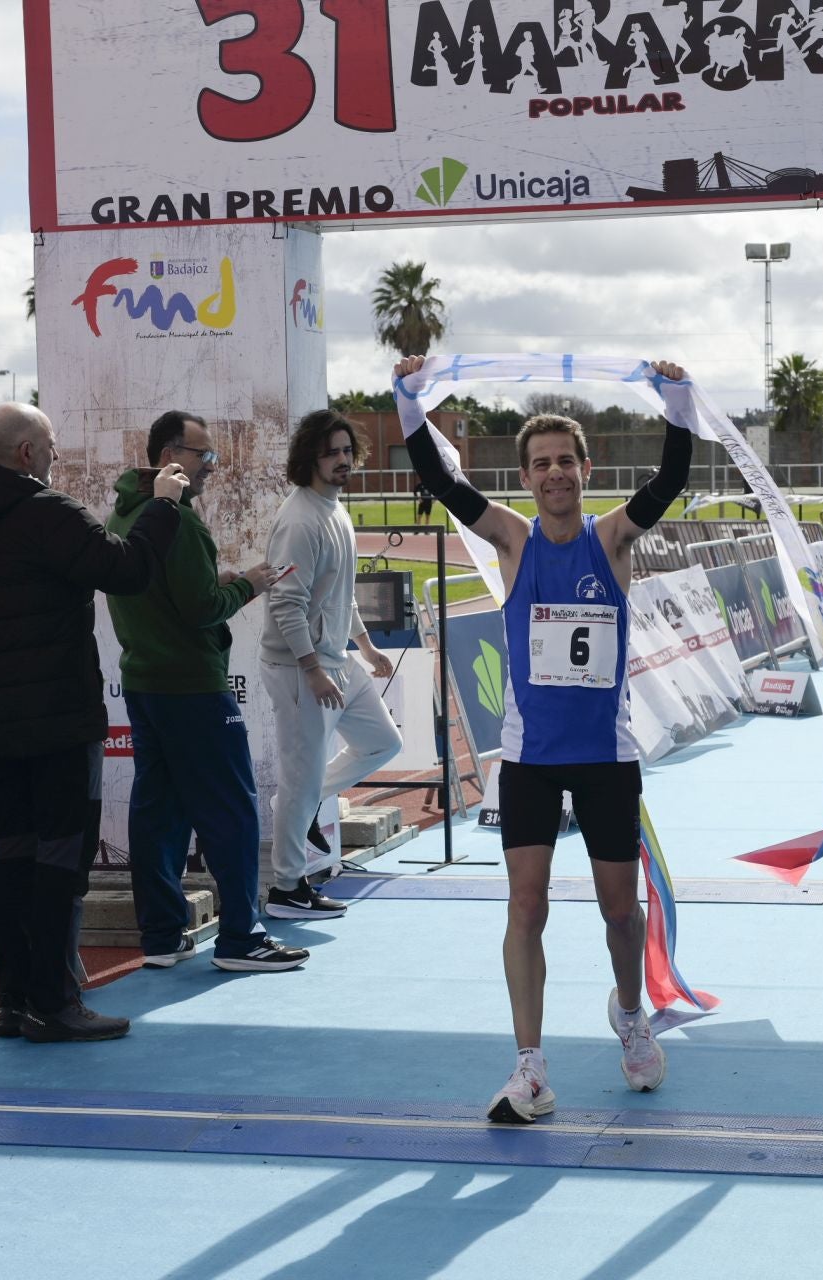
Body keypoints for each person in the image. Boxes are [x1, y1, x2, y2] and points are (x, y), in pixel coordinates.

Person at [395, 353, 692, 1124]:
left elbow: (667, 484)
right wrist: (407, 400)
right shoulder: (514, 541)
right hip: (529, 758)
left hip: (605, 757)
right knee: (525, 907)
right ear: (525, 477)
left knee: (619, 913)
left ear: (585, 469)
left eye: (566, 460)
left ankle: (630, 1014)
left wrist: (676, 404)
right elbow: (442, 483)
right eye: (540, 464)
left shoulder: (613, 540)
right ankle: (530, 1065)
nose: (554, 473)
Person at [0, 403, 185, 1043]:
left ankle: (14, 1002)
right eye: (50, 447)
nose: (55, 459)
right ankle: (55, 1001)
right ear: (25, 454)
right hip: (63, 722)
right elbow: (127, 570)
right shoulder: (47, 513)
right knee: (60, 863)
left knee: (11, 857)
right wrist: (164, 506)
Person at [104, 411, 308, 974]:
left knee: (158, 812)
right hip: (192, 687)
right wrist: (249, 584)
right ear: (172, 455)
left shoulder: (124, 513)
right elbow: (199, 611)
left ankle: (163, 936)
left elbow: (161, 593)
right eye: (205, 456)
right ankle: (241, 938)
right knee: (232, 813)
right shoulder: (181, 524)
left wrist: (217, 584)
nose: (213, 467)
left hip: (145, 683)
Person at [260, 409, 402, 920]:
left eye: (347, 451)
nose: (343, 460)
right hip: (300, 667)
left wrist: (364, 646)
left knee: (384, 742)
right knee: (299, 778)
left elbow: (340, 594)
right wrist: (312, 669)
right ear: (310, 459)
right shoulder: (300, 520)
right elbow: (286, 602)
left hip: (336, 658)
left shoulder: (336, 510)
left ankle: (295, 807)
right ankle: (287, 891)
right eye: (331, 452)